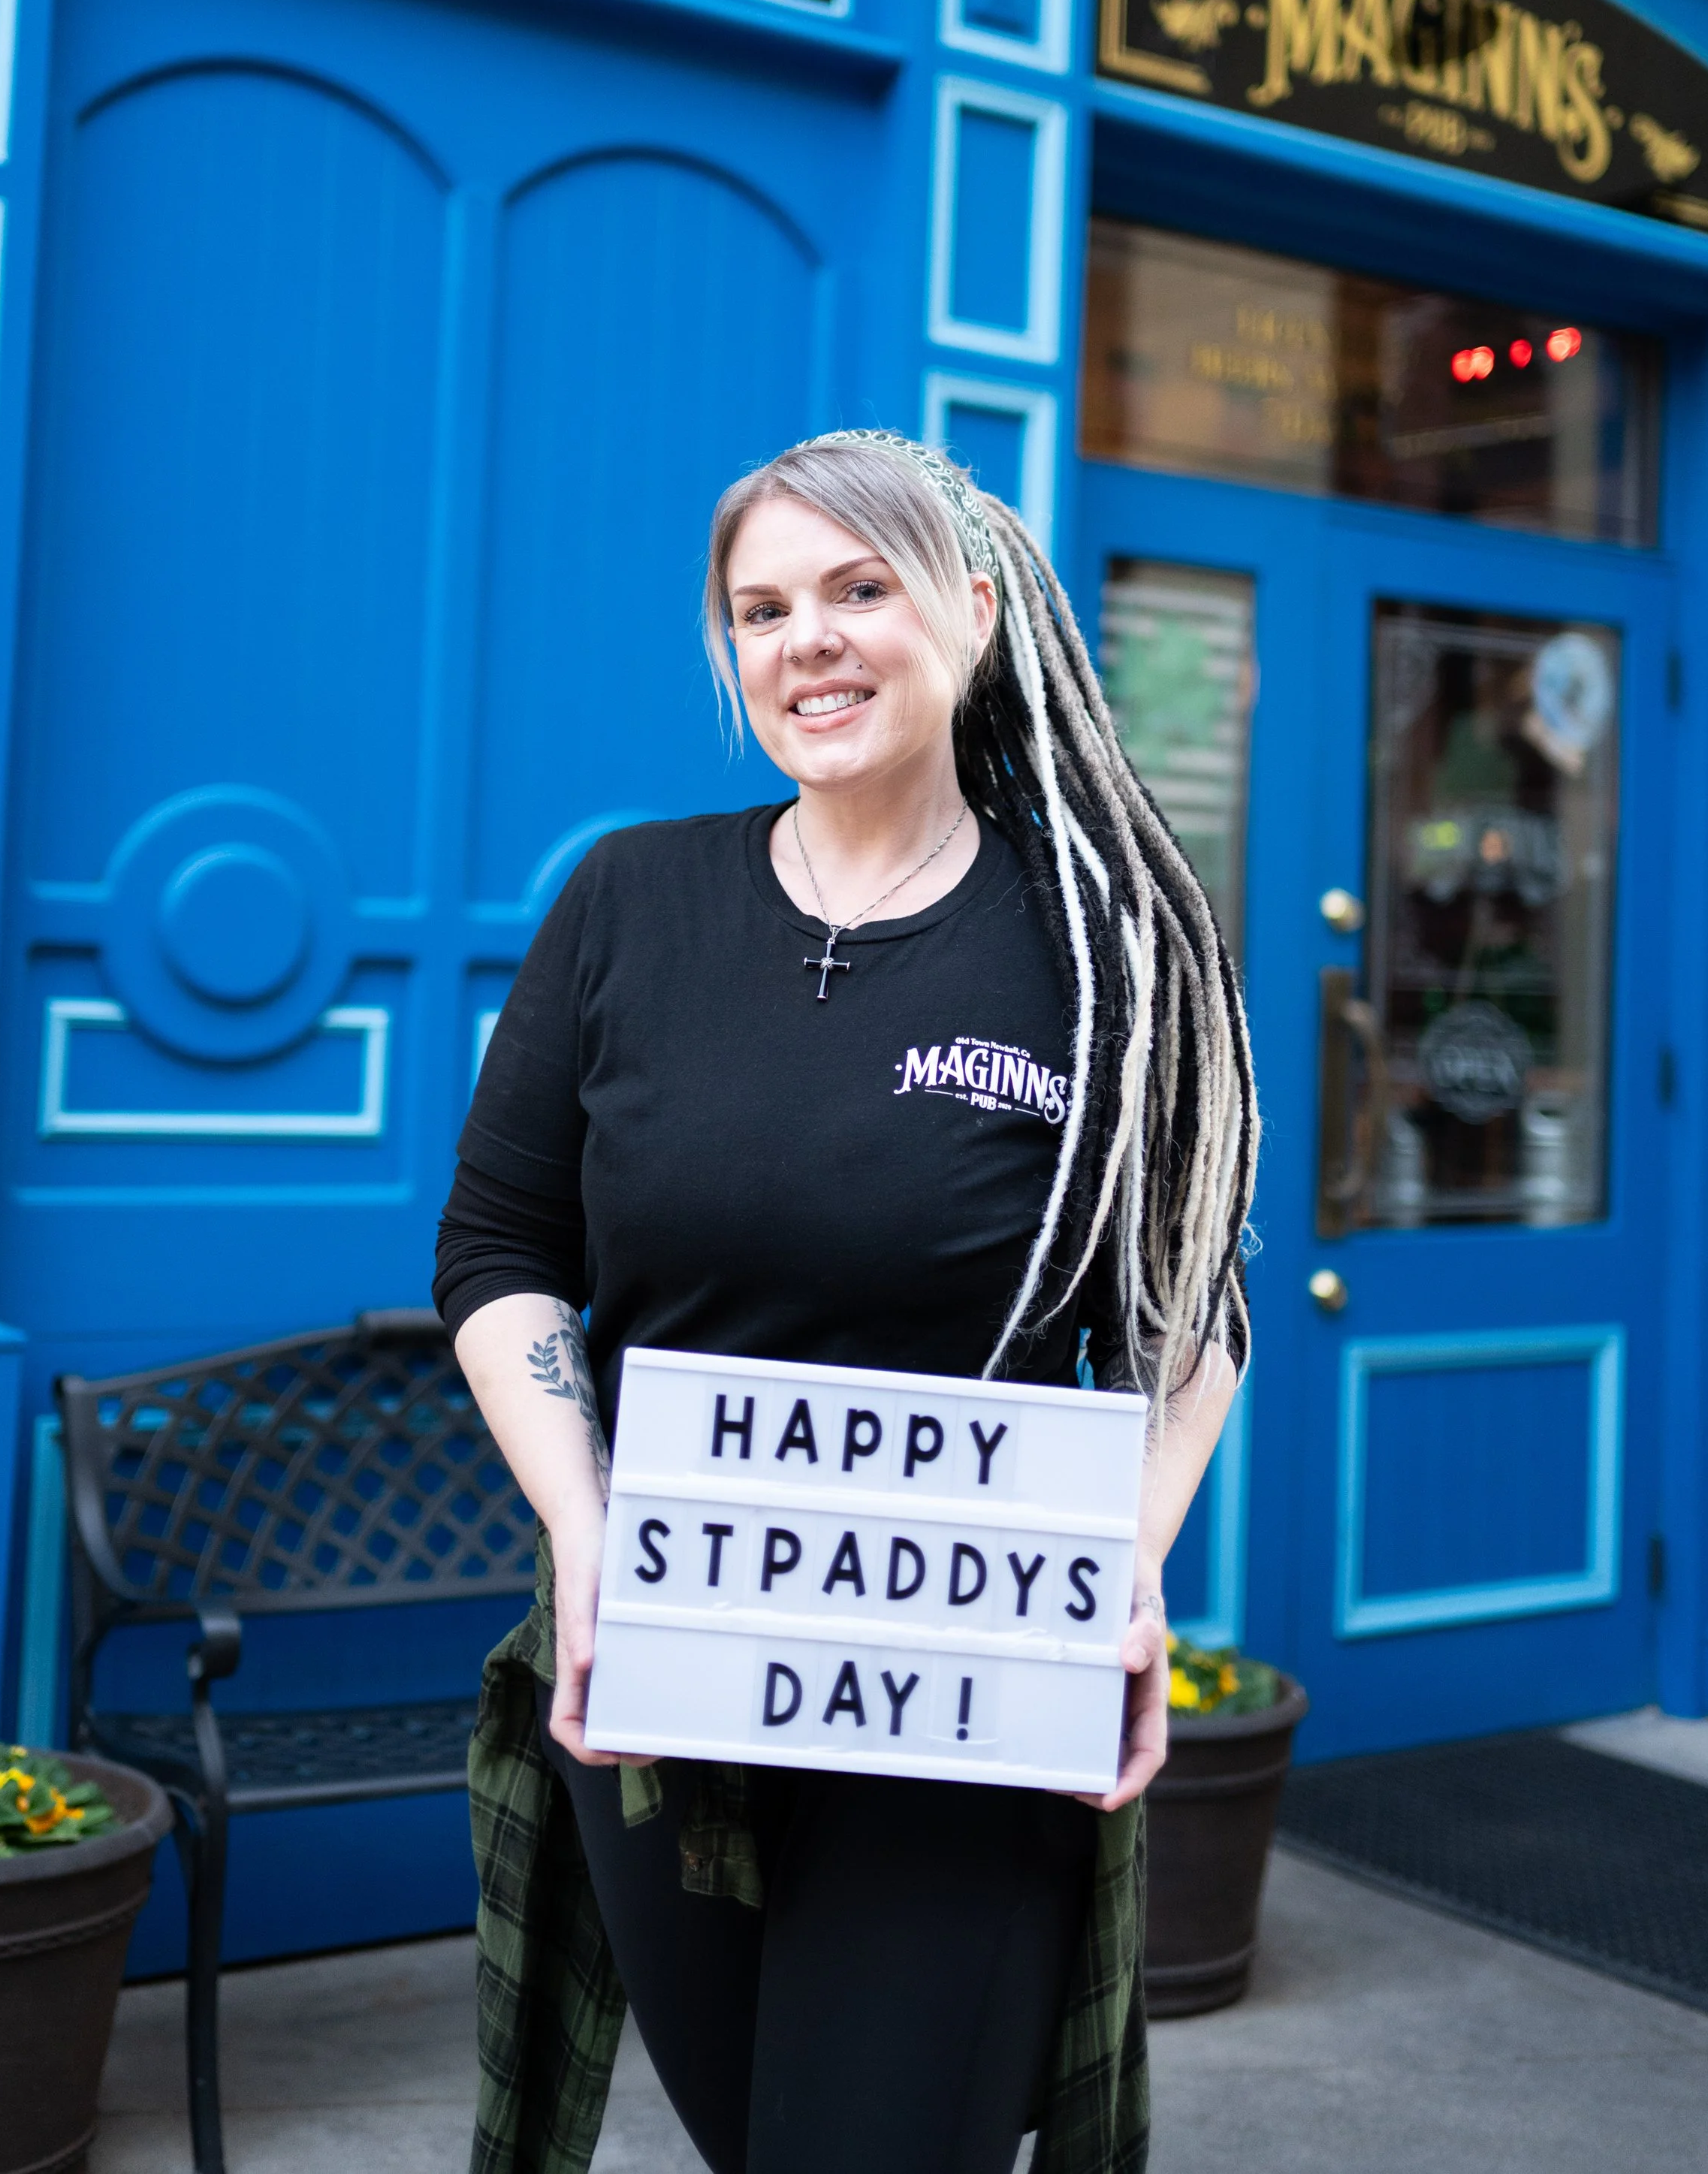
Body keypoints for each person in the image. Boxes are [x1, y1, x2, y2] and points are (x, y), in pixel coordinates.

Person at [434, 430, 1257, 2174]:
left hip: (963, 1674)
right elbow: (498, 1250)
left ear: (970, 612)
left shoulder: (1106, 943)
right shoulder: (625, 901)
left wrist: (1121, 1563)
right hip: (658, 1657)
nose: (802, 638)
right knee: (759, 2138)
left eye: (855, 589)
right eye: (759, 609)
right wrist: (585, 1541)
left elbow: (1187, 1310)